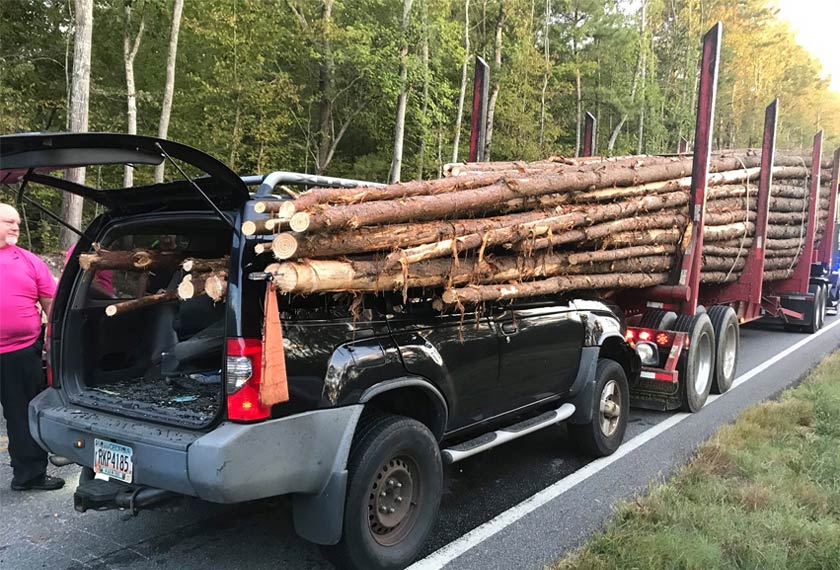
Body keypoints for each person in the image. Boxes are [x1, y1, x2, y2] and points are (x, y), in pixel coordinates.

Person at [0, 203, 64, 491]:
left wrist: (54, 340)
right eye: (7, 222)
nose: (15, 227)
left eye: (16, 221)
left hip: (20, 352)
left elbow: (50, 301)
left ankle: (29, 476)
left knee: (20, 414)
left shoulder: (29, 260)